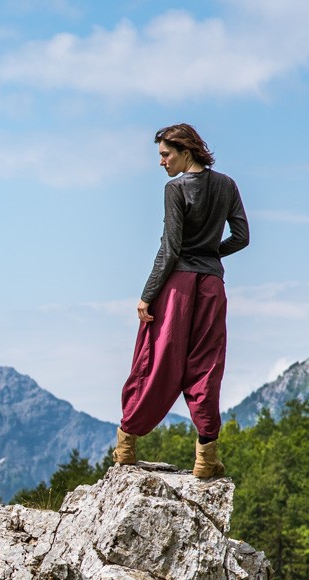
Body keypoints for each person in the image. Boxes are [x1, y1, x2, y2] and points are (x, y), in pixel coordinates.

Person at [115, 123, 248, 478]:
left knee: (157, 360)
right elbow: (242, 237)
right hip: (212, 286)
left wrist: (147, 295)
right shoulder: (227, 185)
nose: (162, 162)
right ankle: (205, 459)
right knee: (206, 366)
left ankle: (126, 446)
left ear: (185, 151)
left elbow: (170, 248)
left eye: (165, 154)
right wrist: (210, 255)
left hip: (177, 287)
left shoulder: (175, 188)